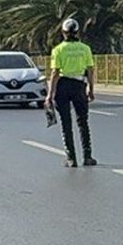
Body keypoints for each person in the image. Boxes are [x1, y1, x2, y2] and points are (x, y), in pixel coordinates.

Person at [45, 18, 97, 167]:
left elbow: (55, 73)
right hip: (80, 85)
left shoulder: (58, 50)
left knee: (66, 123)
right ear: (77, 32)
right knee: (83, 122)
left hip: (63, 85)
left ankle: (71, 158)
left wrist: (50, 94)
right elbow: (90, 70)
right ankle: (87, 156)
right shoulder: (85, 49)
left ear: (63, 33)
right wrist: (91, 89)